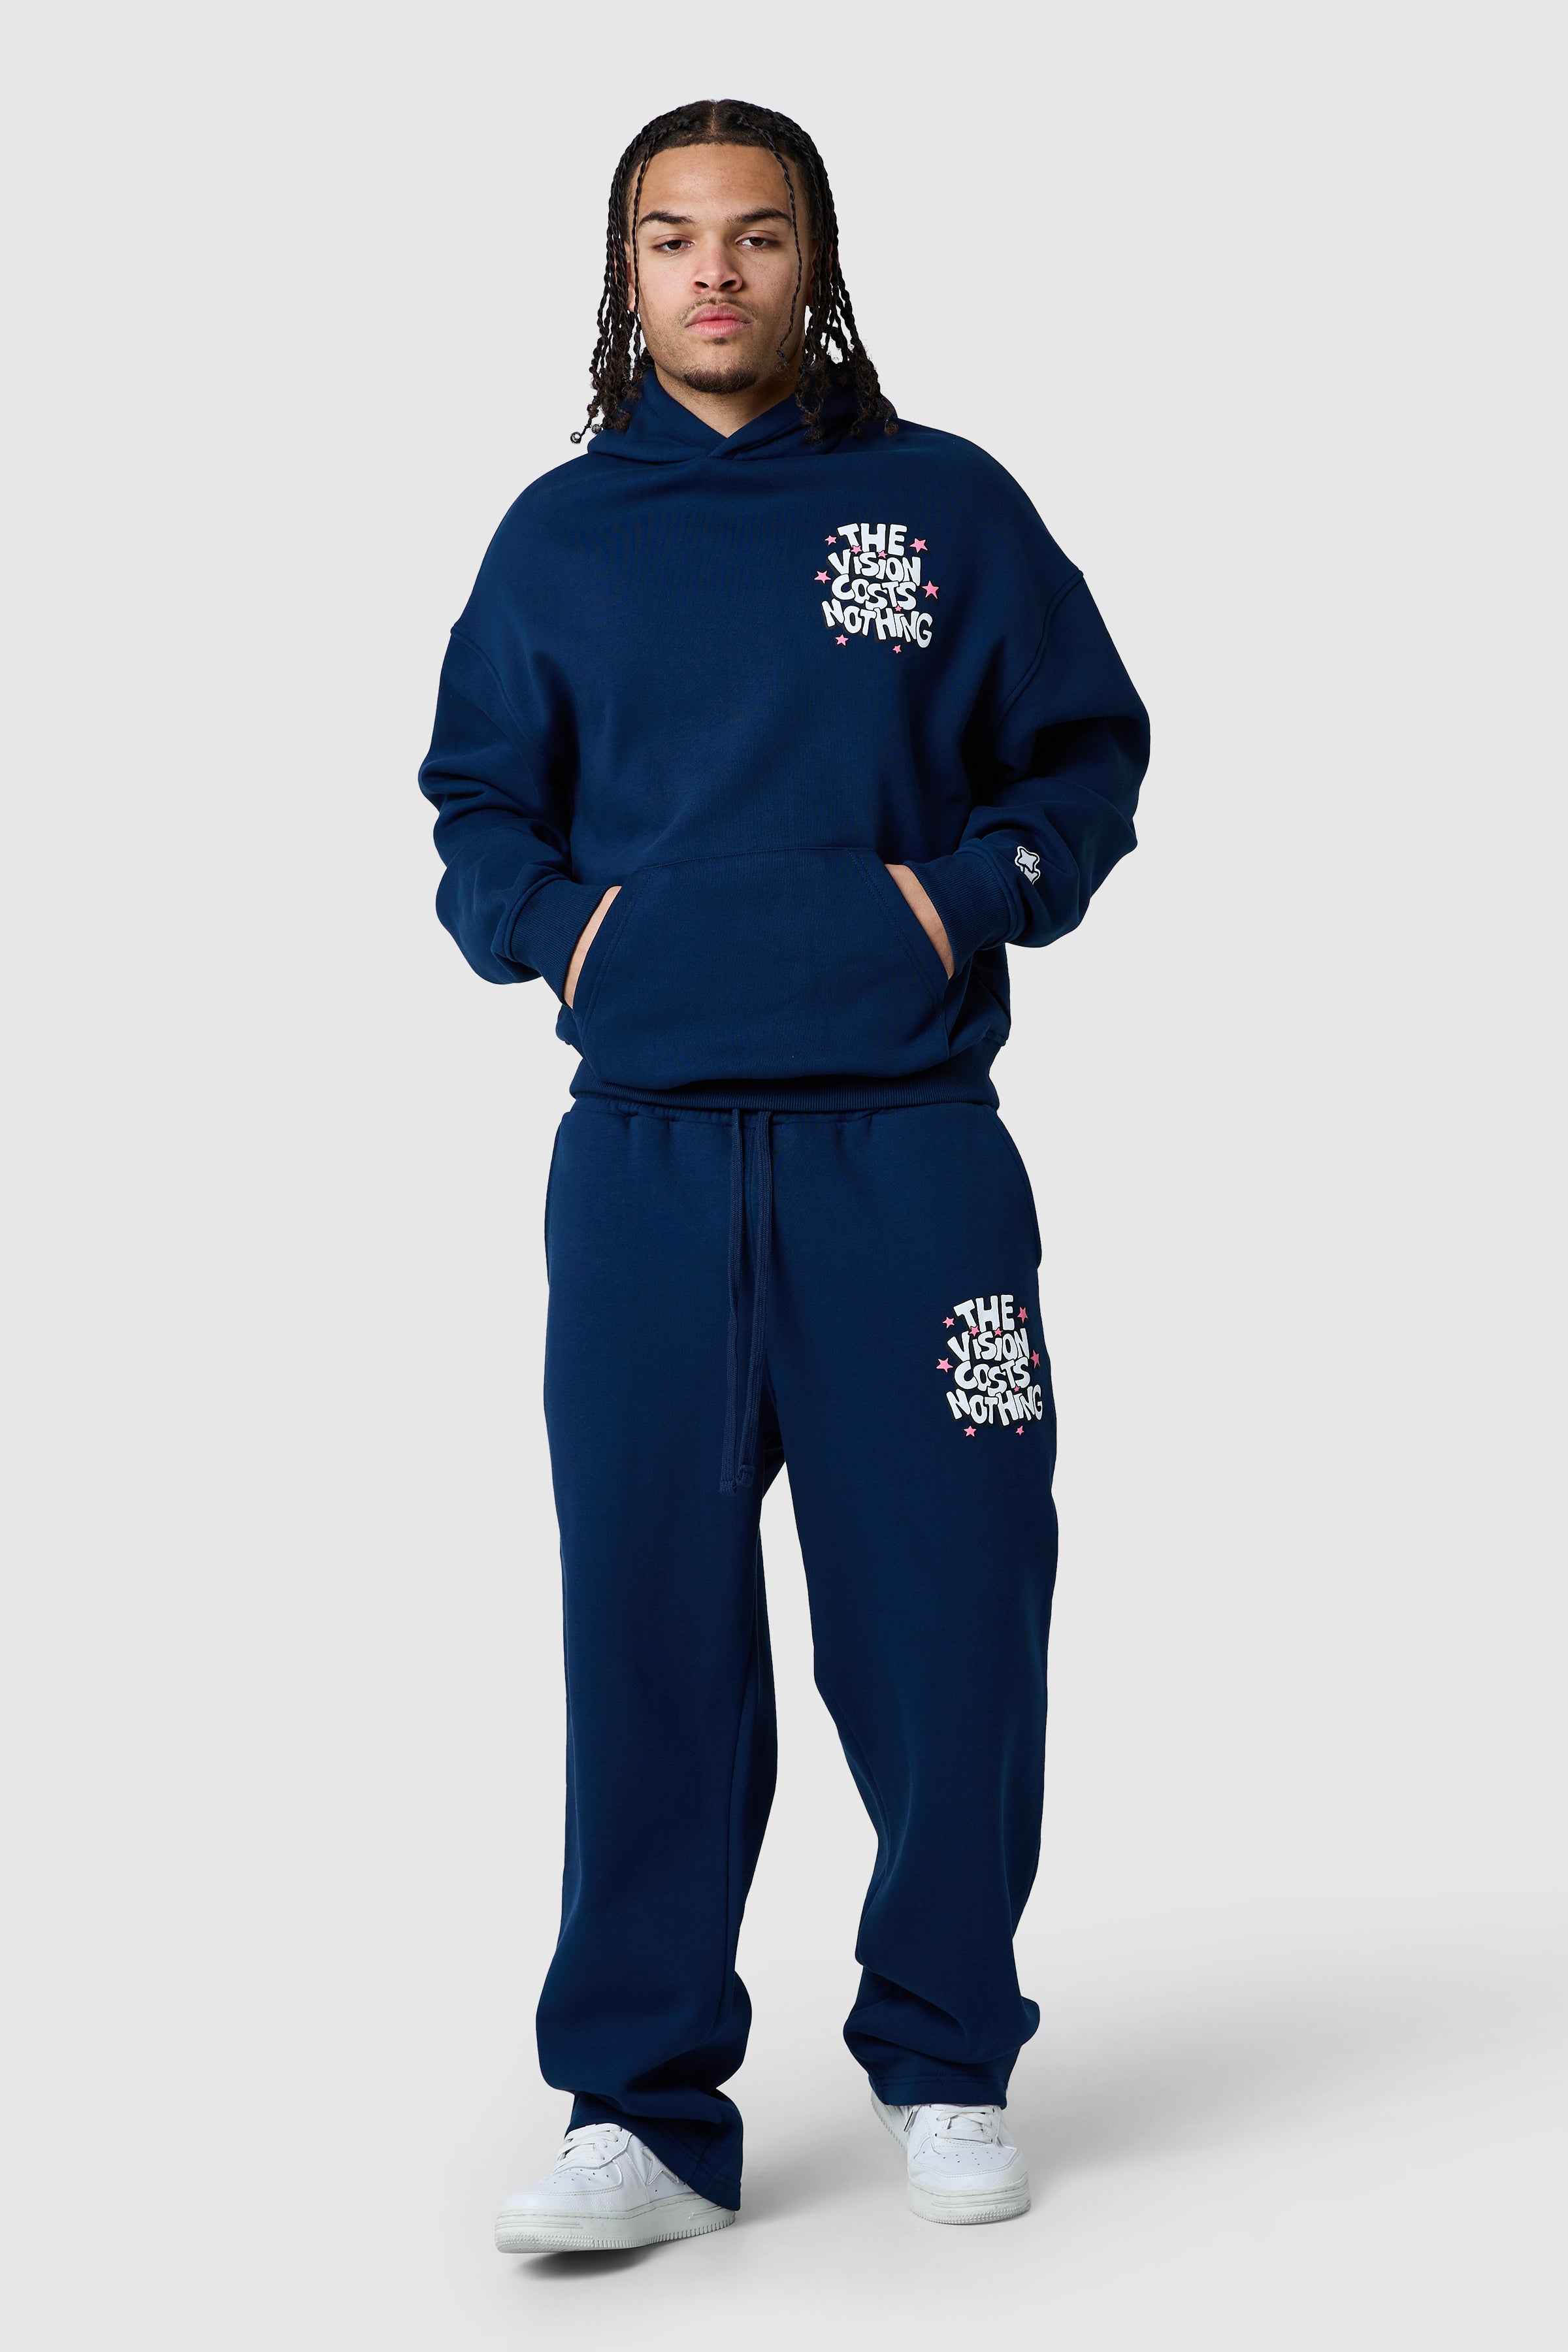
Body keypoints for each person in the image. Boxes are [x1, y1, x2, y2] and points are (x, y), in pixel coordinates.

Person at [419, 97, 1149, 2252]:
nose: (715, 272)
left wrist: (964, 898)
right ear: (625, 273)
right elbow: (475, 808)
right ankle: (640, 2112)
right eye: (672, 237)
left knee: (955, 1615)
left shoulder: (943, 506)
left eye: (755, 233)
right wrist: (569, 938)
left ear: (816, 258)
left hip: (912, 1161)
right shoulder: (560, 539)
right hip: (643, 1168)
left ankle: (948, 2052)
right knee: (645, 1632)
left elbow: (1086, 753)